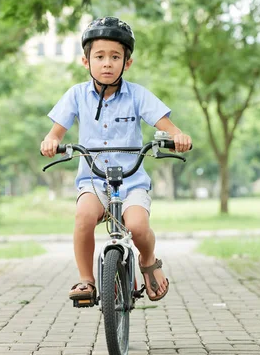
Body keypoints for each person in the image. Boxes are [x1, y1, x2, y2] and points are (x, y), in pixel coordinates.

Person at [40, 16, 192, 302]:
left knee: (137, 226)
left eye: (115, 56)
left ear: (127, 63)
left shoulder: (137, 95)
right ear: (86, 62)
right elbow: (55, 133)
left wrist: (178, 136)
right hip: (94, 181)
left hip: (131, 181)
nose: (107, 63)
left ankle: (147, 260)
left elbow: (166, 125)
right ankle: (86, 280)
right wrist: (52, 142)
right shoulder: (76, 95)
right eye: (99, 56)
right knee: (83, 216)